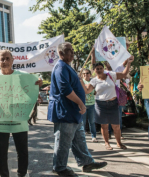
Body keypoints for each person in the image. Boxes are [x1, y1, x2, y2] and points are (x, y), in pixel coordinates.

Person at [48, 43, 107, 176]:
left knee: (79, 139)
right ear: (61, 54)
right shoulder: (60, 67)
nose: (72, 53)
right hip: (65, 111)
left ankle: (86, 162)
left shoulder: (67, 67)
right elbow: (65, 90)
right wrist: (81, 103)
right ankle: (60, 168)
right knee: (63, 140)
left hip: (73, 111)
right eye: (69, 51)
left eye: (73, 51)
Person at [0, 50, 42, 177]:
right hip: (0, 120)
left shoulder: (24, 76)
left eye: (7, 58)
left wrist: (38, 83)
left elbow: (32, 89)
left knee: (22, 150)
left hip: (20, 119)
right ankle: (4, 175)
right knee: (1, 151)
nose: (5, 61)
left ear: (13, 60)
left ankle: (21, 174)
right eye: (2, 59)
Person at [82, 54, 133, 150]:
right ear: (94, 70)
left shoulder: (111, 75)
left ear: (103, 68)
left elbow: (123, 74)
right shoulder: (94, 81)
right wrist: (80, 81)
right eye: (97, 69)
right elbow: (87, 91)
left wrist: (129, 63)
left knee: (116, 126)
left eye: (101, 68)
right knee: (104, 126)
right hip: (100, 105)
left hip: (113, 104)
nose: (99, 70)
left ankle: (119, 143)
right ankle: (107, 143)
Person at [91, 47, 128, 139]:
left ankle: (118, 137)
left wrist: (126, 50)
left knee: (117, 120)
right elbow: (94, 65)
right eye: (106, 62)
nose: (108, 63)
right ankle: (108, 136)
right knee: (105, 124)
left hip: (115, 99)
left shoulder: (115, 70)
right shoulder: (102, 72)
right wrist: (92, 53)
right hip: (102, 102)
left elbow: (124, 66)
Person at [81, 69, 98, 142]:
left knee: (92, 122)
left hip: (92, 104)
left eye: (87, 73)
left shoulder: (93, 82)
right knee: (83, 122)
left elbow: (95, 92)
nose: (85, 75)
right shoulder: (81, 82)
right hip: (83, 104)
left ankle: (93, 136)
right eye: (84, 73)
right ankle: (82, 137)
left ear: (90, 74)